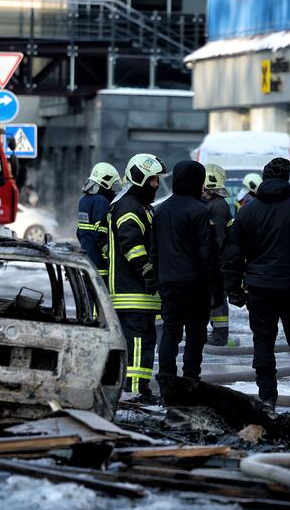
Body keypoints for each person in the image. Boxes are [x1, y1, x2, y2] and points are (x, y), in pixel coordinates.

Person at [223, 157, 290, 412]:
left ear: (264, 178)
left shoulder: (247, 212)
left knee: (263, 342)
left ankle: (266, 399)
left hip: (259, 289)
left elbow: (233, 254)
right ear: (287, 180)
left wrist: (234, 289)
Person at [152, 161, 222, 401]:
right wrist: (217, 288)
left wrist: (157, 281)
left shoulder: (160, 210)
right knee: (195, 335)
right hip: (195, 284)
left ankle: (167, 385)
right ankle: (191, 383)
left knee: (170, 333)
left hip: (168, 283)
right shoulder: (200, 211)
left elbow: (154, 251)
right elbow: (208, 254)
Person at [107, 153, 168, 403]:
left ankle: (135, 387)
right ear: (140, 178)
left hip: (136, 292)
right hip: (132, 292)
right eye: (153, 180)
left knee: (140, 341)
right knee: (139, 343)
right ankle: (134, 391)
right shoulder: (129, 208)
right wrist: (147, 269)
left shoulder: (139, 206)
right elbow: (131, 244)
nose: (156, 185)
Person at [202, 163, 233, 346]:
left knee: (217, 299)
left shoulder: (218, 206)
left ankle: (220, 335)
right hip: (213, 263)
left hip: (217, 264)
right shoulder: (210, 204)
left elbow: (219, 239)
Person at [76, 162, 120, 281]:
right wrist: (110, 257)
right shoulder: (101, 201)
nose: (113, 190)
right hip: (100, 265)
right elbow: (101, 234)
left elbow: (79, 232)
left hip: (87, 260)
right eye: (112, 186)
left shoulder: (83, 201)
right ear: (105, 182)